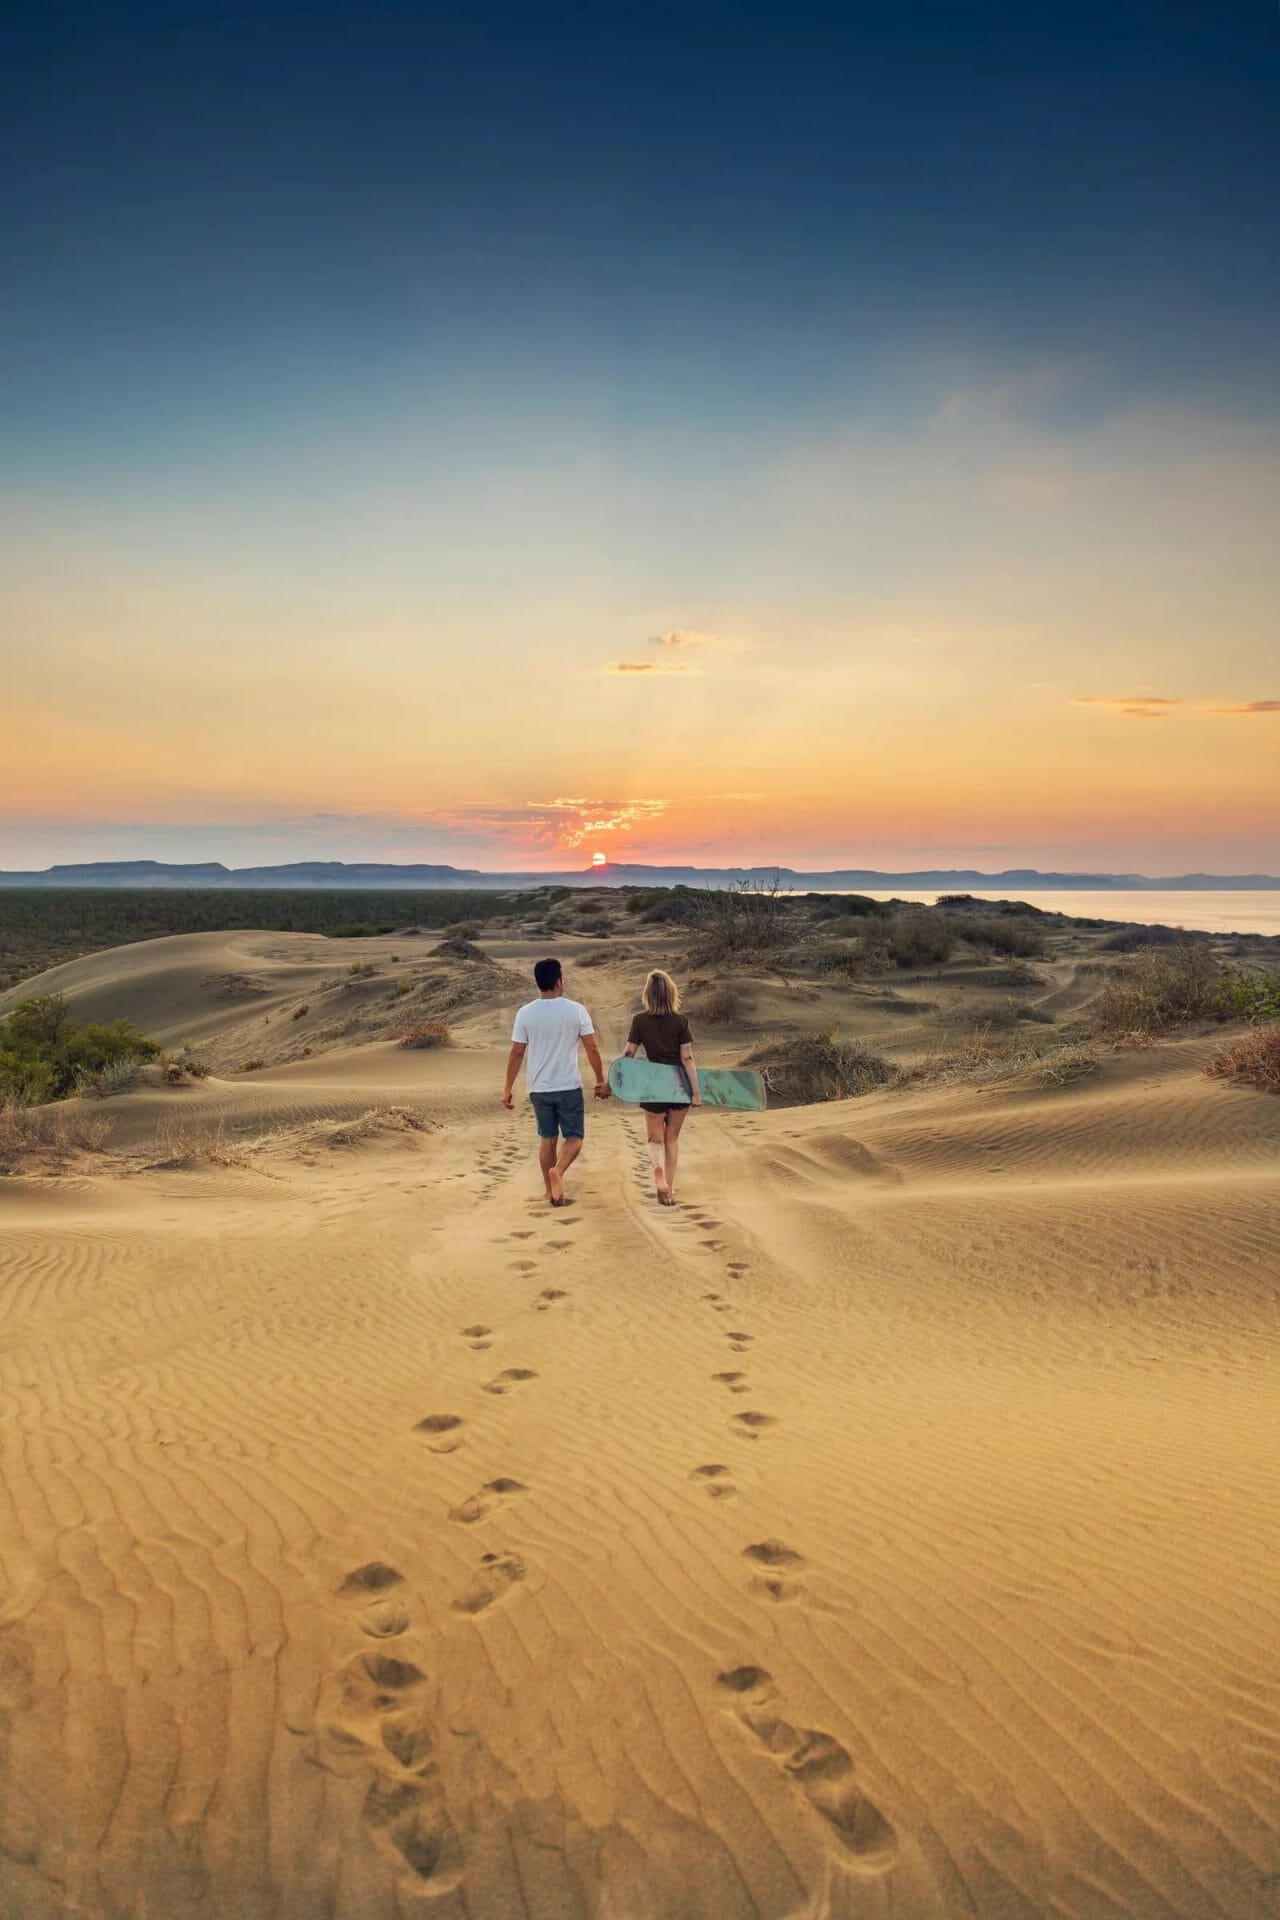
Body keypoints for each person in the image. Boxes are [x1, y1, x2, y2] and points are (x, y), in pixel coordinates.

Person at [503, 957, 609, 1204]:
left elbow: (516, 1052)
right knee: (574, 1138)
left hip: (539, 1088)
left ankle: (551, 1192)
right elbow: (591, 1048)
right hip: (568, 1085)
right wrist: (600, 1079)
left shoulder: (525, 1013)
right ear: (559, 981)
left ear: (538, 983)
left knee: (547, 1139)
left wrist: (508, 1088)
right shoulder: (576, 1010)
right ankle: (557, 1172)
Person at [623, 969, 700, 1205]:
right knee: (671, 1139)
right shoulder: (680, 1021)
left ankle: (657, 1170)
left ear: (648, 994)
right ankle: (669, 1186)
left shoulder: (640, 1021)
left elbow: (629, 1054)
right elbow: (687, 1057)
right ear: (671, 992)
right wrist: (696, 1092)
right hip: (678, 1085)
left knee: (655, 1140)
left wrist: (617, 1081)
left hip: (653, 1084)